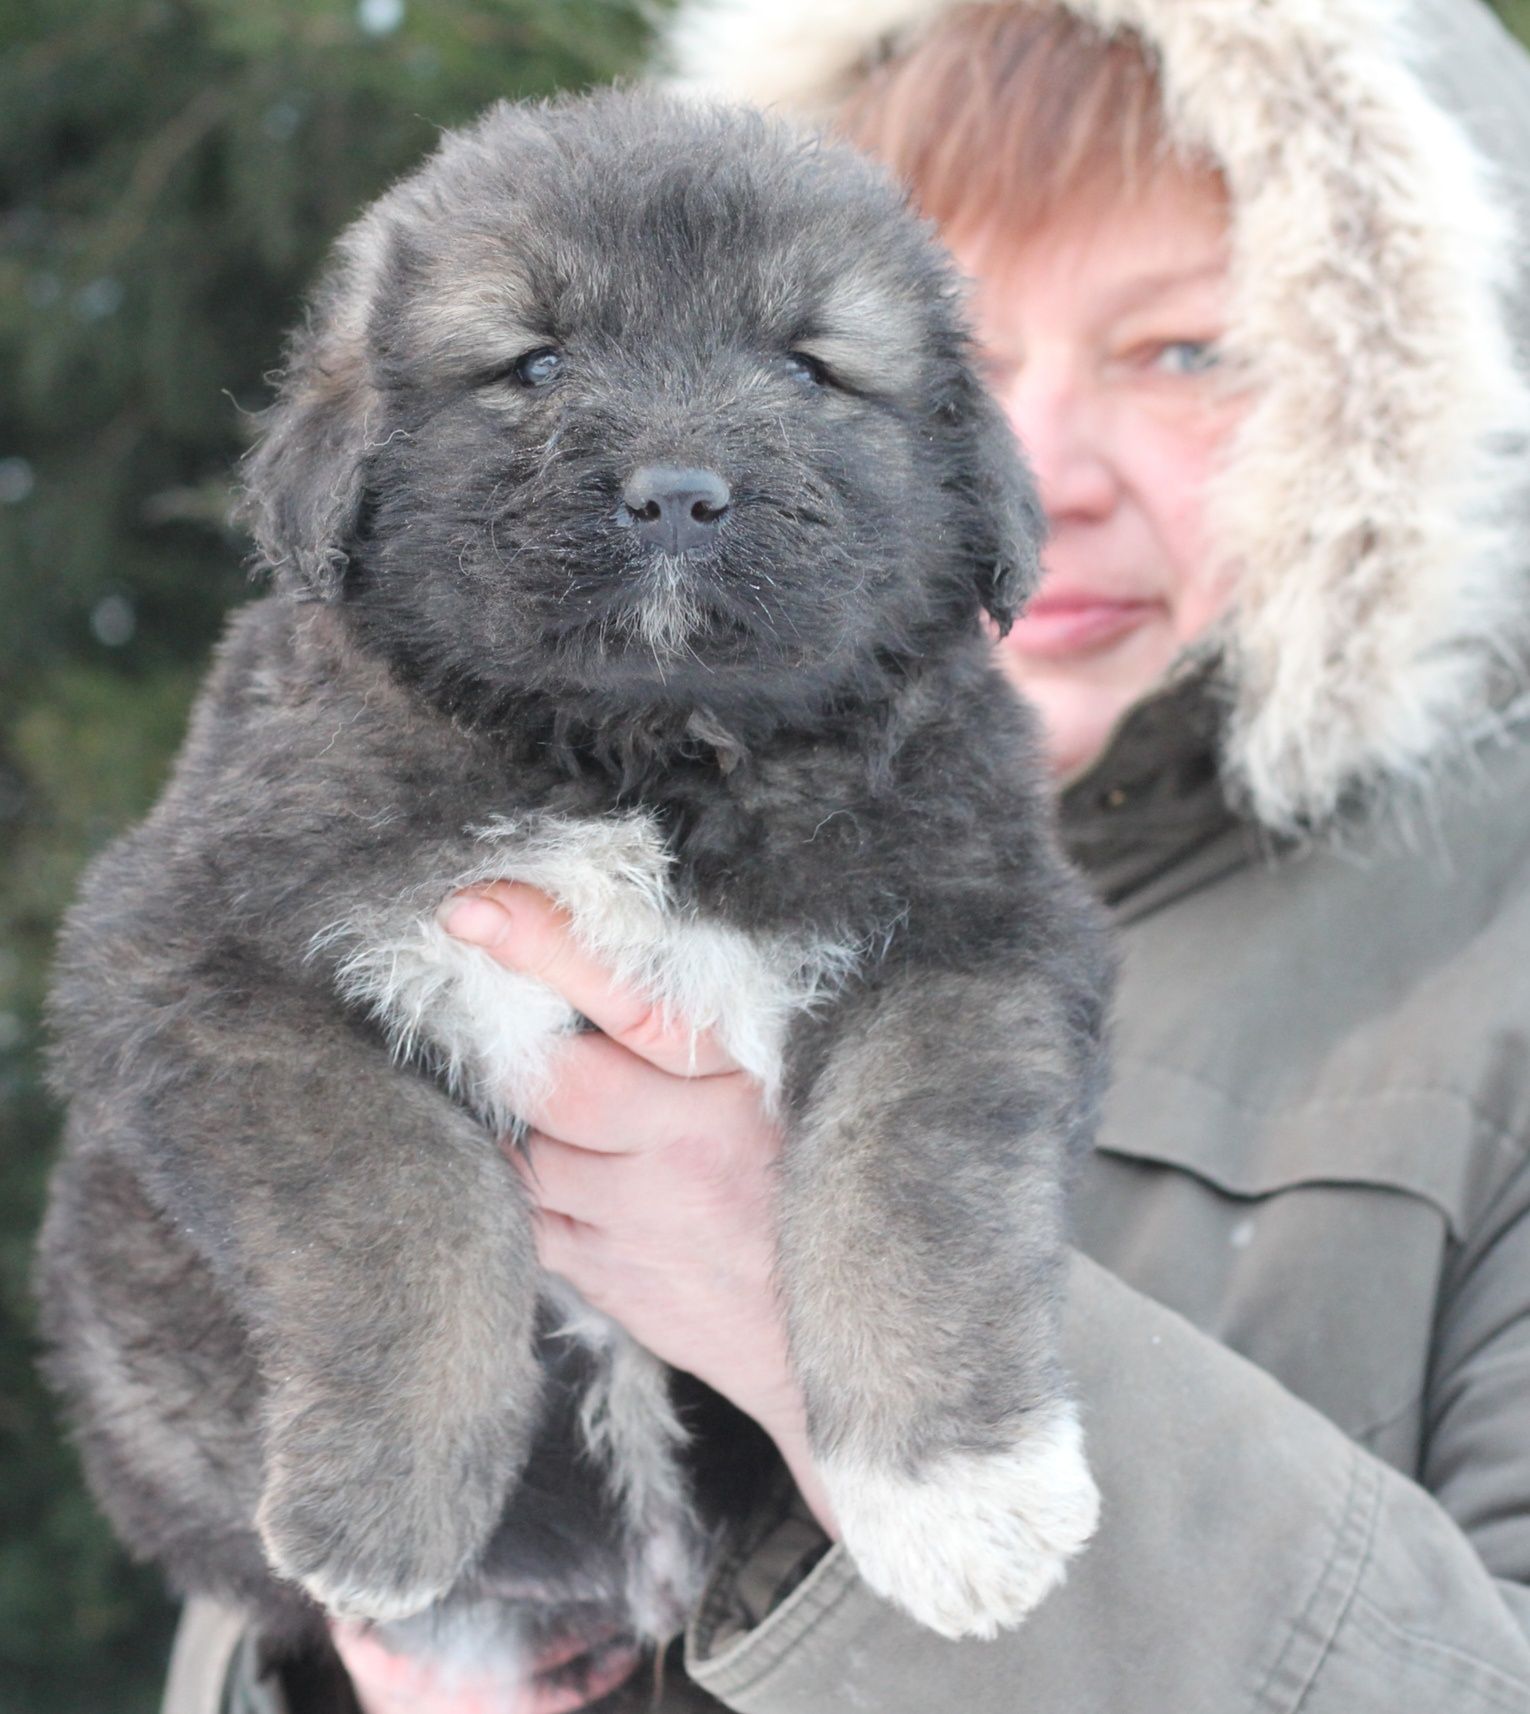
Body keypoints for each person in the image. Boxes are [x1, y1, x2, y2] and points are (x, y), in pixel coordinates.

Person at [162, 0, 1530, 1709]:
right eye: (961, 350)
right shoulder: (427, 813)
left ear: (1402, 400)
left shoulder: (1492, 964)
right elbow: (281, 1505)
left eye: (1184, 351)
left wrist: (804, 1305)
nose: (1041, 461)